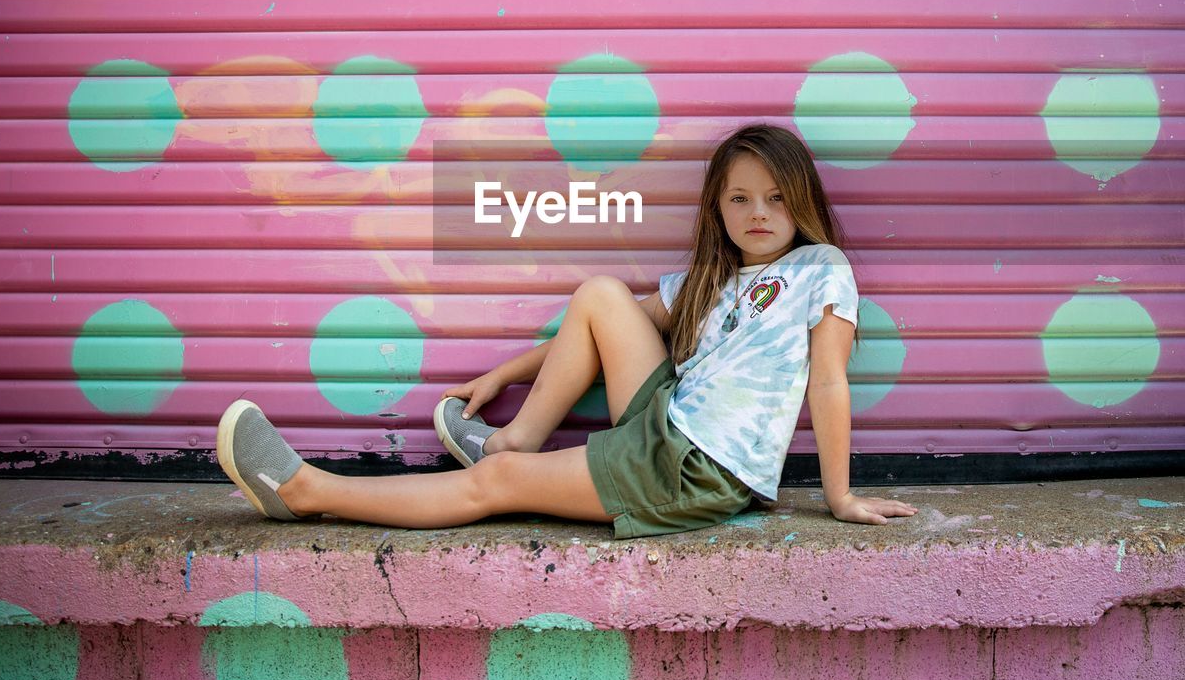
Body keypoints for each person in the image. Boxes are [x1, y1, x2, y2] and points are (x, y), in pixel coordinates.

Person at [216, 123, 917, 537]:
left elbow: (828, 379)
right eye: (739, 197)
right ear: (717, 208)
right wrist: (506, 374)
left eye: (775, 198)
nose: (757, 212)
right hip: (666, 419)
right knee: (602, 295)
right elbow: (597, 329)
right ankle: (512, 435)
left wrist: (839, 496)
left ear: (802, 204)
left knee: (500, 487)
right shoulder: (710, 279)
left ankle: (307, 492)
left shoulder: (822, 269)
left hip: (696, 467)